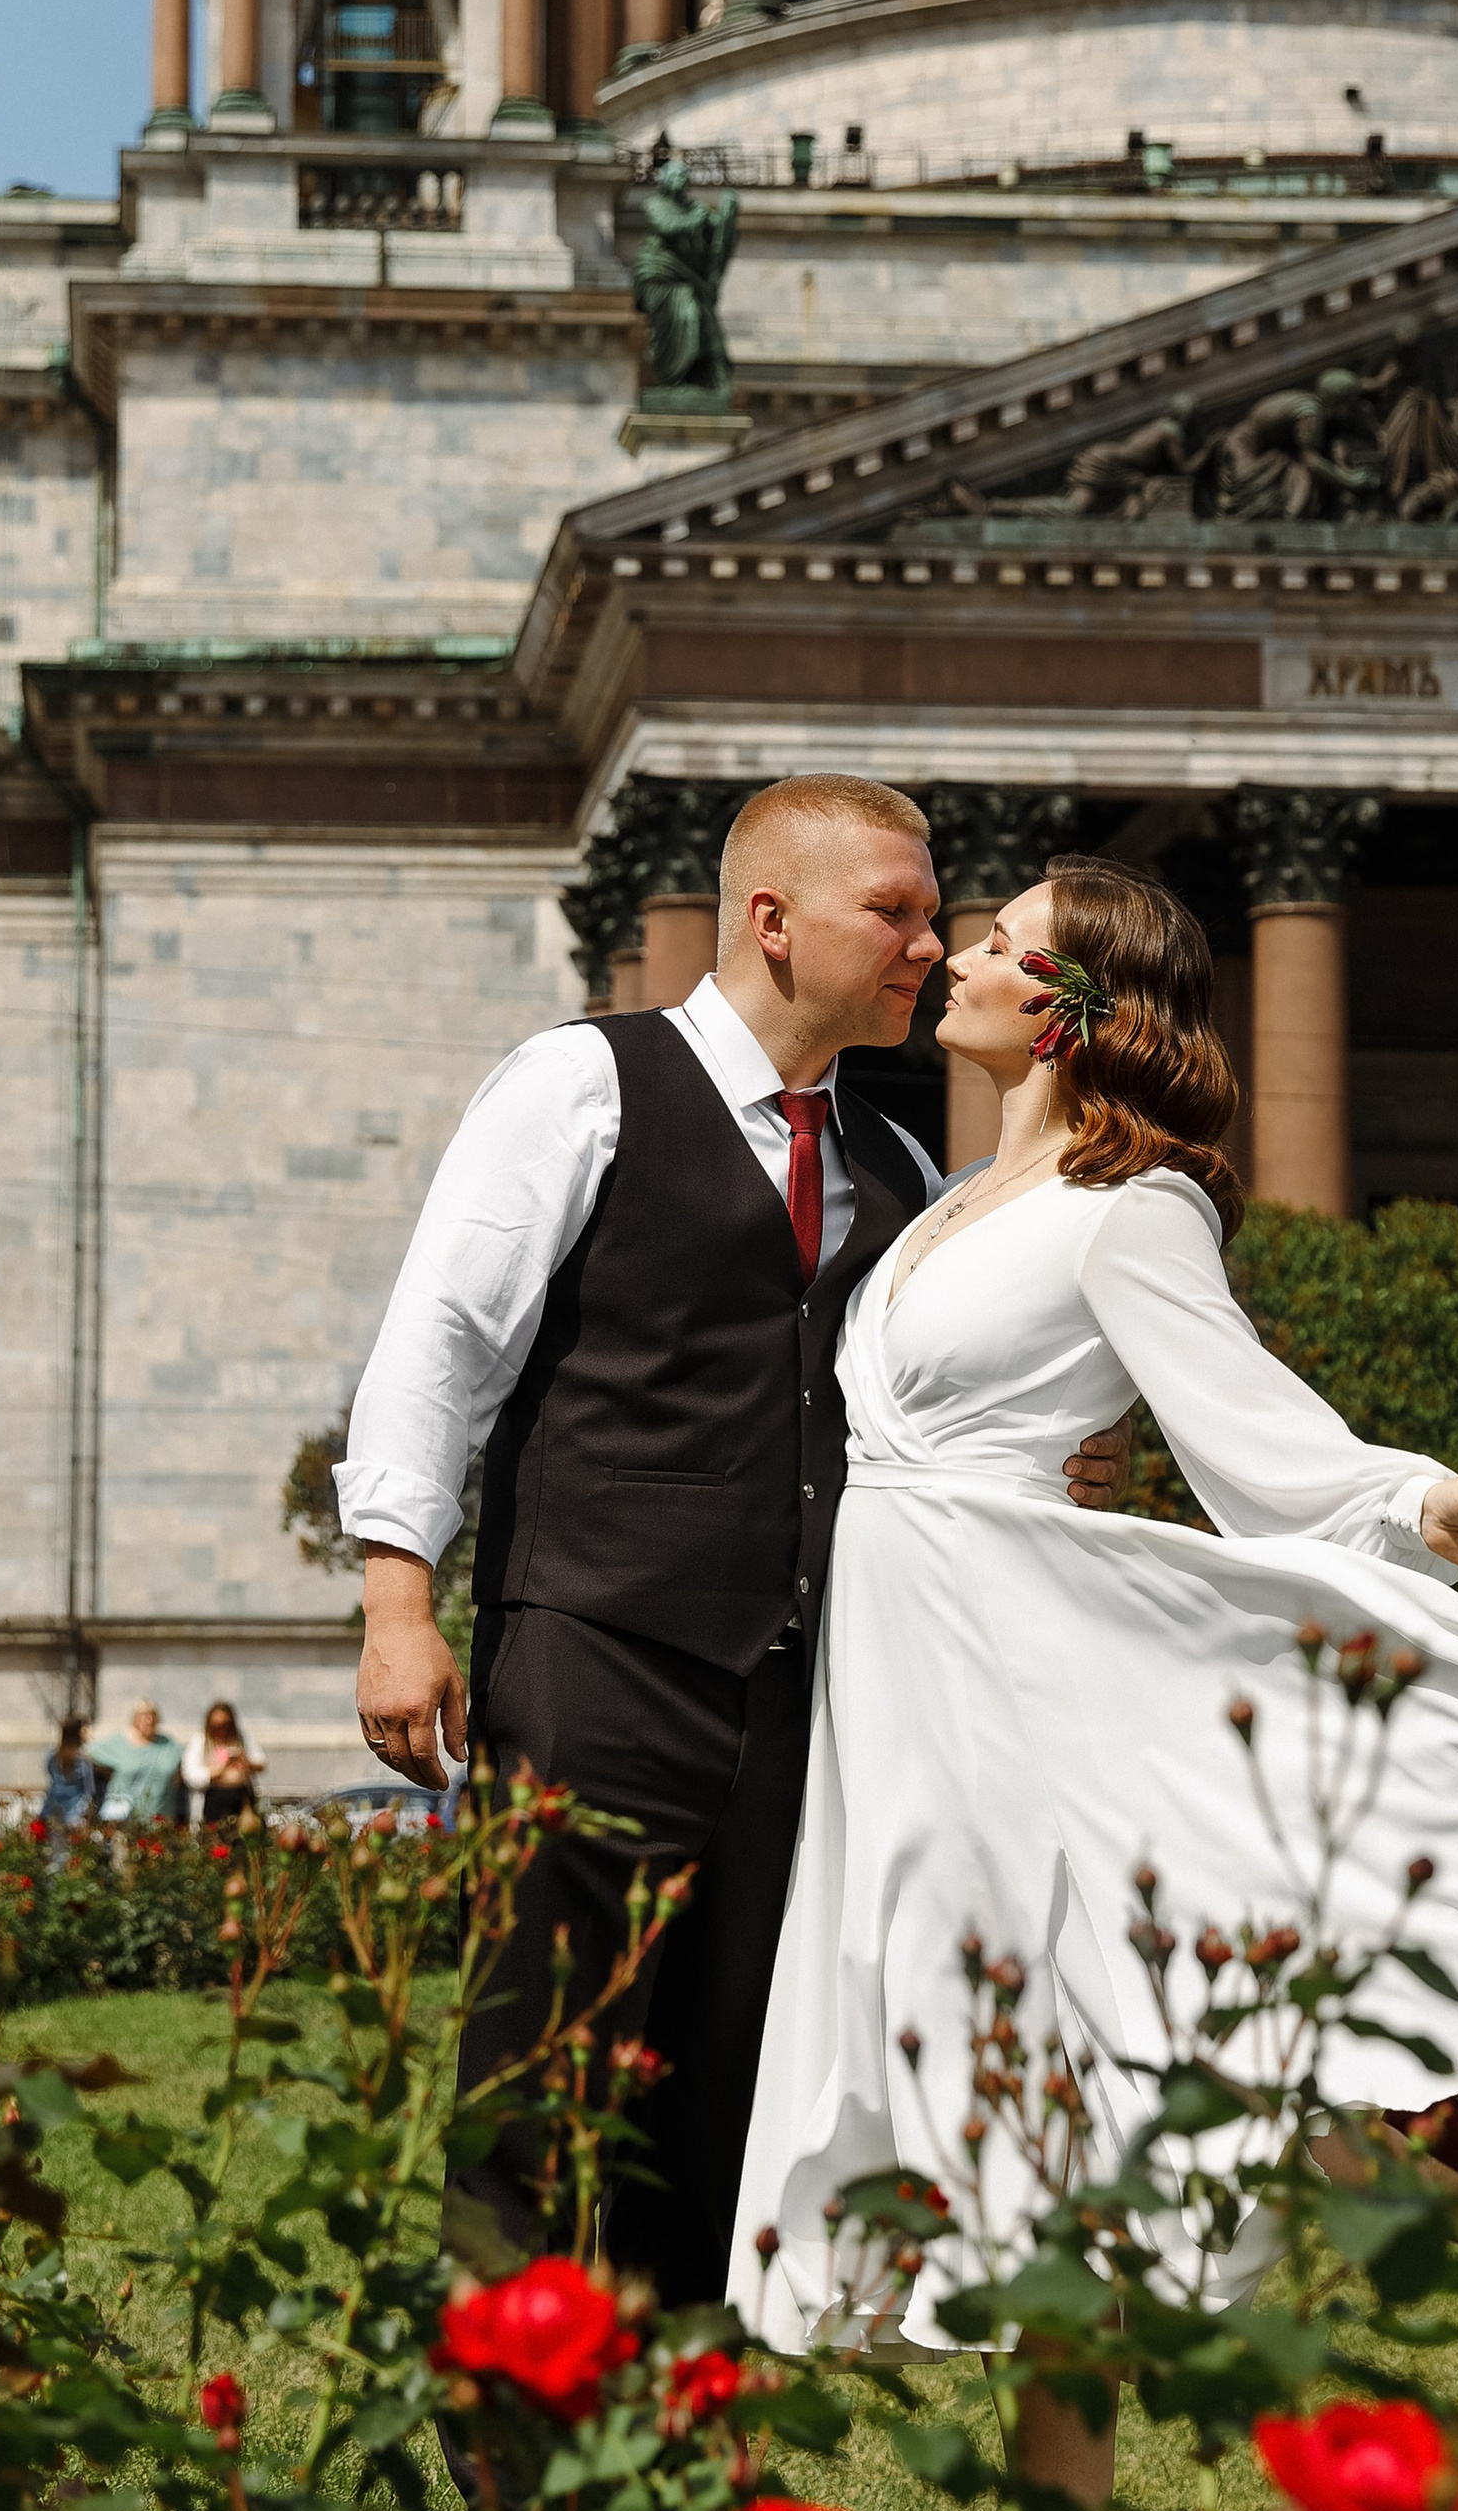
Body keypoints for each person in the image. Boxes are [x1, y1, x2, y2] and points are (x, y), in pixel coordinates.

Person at [730, 858, 1458, 2511]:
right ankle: (1454, 2197)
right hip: (904, 1687)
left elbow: (1254, 1435)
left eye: (997, 941)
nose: (950, 955)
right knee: (1042, 2087)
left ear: (1068, 1007)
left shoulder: (1131, 1203)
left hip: (1002, 1687)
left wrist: (1420, 1496)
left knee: (1036, 2097)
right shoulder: (943, 1195)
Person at [336, 775, 1132, 2309]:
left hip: (795, 1699)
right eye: (895, 912)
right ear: (773, 920)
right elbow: (443, 1337)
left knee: (729, 2084)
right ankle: (511, 2439)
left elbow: (914, 1411)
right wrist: (396, 1599)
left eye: (934, 914)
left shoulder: (900, 1176)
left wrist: (1060, 1451)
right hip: (592, 1660)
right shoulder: (580, 1085)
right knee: (549, 2062)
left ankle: (672, 2426)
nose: (929, 944)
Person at [89, 1701, 185, 1827]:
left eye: (151, 1716)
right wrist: (108, 1772)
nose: (148, 1721)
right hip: (124, 1816)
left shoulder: (167, 1744)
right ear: (135, 1719)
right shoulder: (120, 1741)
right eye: (143, 1716)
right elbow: (90, 1752)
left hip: (159, 1816)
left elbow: (182, 1766)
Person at [185, 1699, 266, 1830]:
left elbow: (261, 1763)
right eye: (216, 1726)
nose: (222, 1730)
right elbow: (191, 1776)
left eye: (226, 1725)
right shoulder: (200, 1741)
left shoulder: (242, 1738)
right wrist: (221, 1768)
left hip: (241, 1801)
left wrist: (244, 1762)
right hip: (214, 1801)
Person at [39, 1718, 100, 1835]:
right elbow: (89, 1789)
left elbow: (51, 1777)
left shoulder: (53, 1755)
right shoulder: (83, 1760)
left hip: (52, 1809)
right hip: (75, 1812)